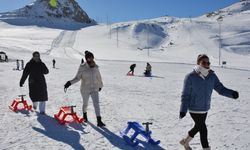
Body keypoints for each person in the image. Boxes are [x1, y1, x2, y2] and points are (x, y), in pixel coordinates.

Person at [179, 54, 239, 150]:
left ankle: (185, 141)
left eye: (208, 63)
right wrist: (183, 109)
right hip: (194, 108)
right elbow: (185, 95)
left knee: (197, 127)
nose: (207, 64)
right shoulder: (190, 76)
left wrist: (232, 94)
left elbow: (220, 89)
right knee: (203, 130)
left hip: (205, 108)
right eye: (204, 62)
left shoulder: (212, 76)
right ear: (198, 63)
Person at [64, 51, 105, 127]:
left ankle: (99, 121)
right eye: (89, 58)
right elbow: (77, 78)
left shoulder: (96, 67)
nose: (90, 59)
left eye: (92, 57)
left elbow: (99, 77)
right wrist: (69, 83)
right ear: (86, 59)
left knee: (96, 104)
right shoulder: (82, 67)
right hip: (85, 89)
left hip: (94, 88)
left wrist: (100, 85)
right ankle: (84, 114)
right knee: (85, 103)